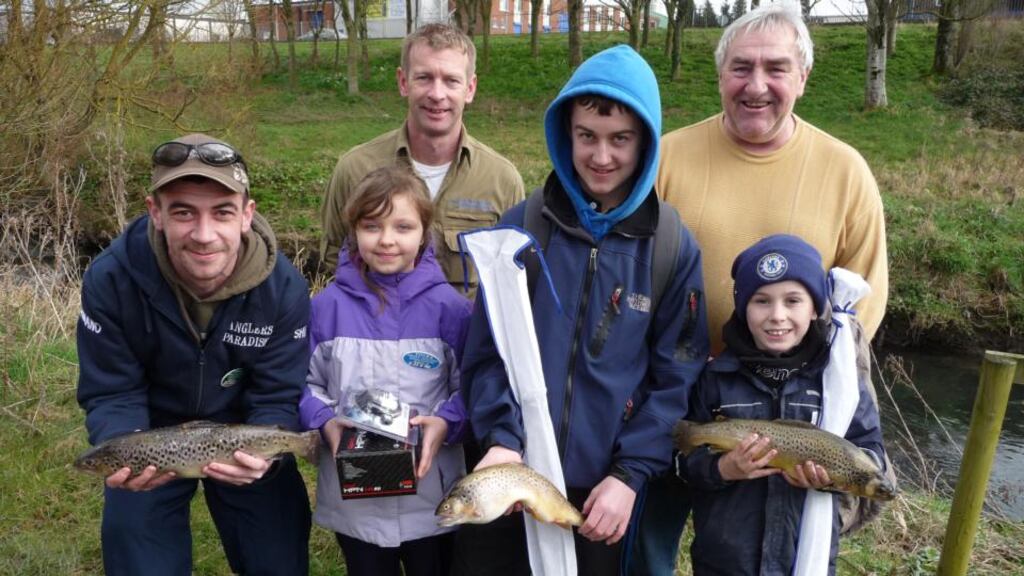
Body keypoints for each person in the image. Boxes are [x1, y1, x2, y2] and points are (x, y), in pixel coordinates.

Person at [631, 3, 890, 571]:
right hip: (675, 386)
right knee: (651, 534)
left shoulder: (845, 171)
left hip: (789, 408)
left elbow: (861, 307)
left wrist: (805, 396)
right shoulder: (667, 157)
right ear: (720, 75)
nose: (757, 85)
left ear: (802, 77)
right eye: (741, 68)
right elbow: (631, 272)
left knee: (769, 543)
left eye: (775, 69)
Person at [455, 45, 709, 576]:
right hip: (512, 471)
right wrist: (501, 441)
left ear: (646, 142)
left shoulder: (671, 247)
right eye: (586, 136)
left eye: (621, 139)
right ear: (564, 132)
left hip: (604, 493)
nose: (601, 156)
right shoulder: (522, 227)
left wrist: (631, 474)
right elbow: (484, 356)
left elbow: (675, 380)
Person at [76, 134, 312, 575]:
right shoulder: (110, 279)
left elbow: (278, 393)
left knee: (278, 562)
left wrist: (263, 454)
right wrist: (125, 443)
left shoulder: (285, 289)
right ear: (155, 213)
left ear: (246, 215)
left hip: (243, 432)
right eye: (183, 212)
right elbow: (111, 391)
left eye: (221, 212)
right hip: (151, 431)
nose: (204, 236)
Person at [677, 234, 887, 575]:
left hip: (805, 558)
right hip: (724, 561)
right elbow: (682, 464)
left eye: (793, 301)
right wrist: (723, 469)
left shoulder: (840, 383)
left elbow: (871, 450)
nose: (777, 316)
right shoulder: (715, 378)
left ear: (815, 307)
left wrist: (827, 479)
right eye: (761, 301)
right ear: (743, 307)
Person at [300, 166, 472, 576]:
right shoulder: (325, 309)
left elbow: (473, 388)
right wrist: (324, 422)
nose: (387, 239)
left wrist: (448, 422)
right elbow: (303, 386)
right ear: (354, 230)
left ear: (424, 232)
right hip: (354, 502)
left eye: (403, 226)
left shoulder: (452, 310)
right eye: (372, 226)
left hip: (432, 500)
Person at [319, 23, 525, 296]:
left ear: (470, 88)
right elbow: (333, 264)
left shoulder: (502, 181)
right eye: (424, 78)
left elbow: (512, 282)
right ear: (403, 82)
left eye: (451, 80)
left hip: (465, 338)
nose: (437, 94)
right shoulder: (355, 170)